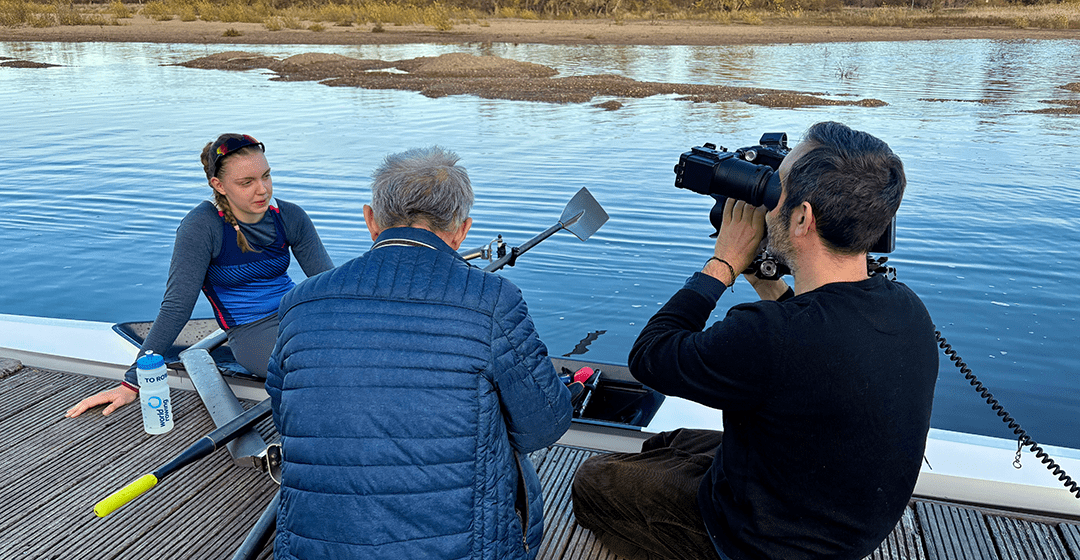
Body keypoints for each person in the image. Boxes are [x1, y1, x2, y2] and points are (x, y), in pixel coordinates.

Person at [571, 121, 939, 560]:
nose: (765, 202)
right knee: (665, 444)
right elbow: (819, 340)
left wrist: (723, 263)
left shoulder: (768, 335)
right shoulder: (908, 307)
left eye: (776, 187)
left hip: (763, 544)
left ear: (802, 218)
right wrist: (765, 280)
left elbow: (650, 357)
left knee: (593, 479)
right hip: (843, 519)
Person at [266, 146, 573, 560]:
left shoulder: (300, 301)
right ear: (462, 230)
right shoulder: (494, 300)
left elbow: (283, 408)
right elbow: (544, 426)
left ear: (370, 220)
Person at [66, 133, 333, 418]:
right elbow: (176, 308)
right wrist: (132, 382)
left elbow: (331, 283)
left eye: (266, 176)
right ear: (219, 185)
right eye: (247, 182)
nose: (262, 190)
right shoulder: (202, 227)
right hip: (251, 332)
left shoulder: (289, 216)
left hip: (296, 311)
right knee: (325, 364)